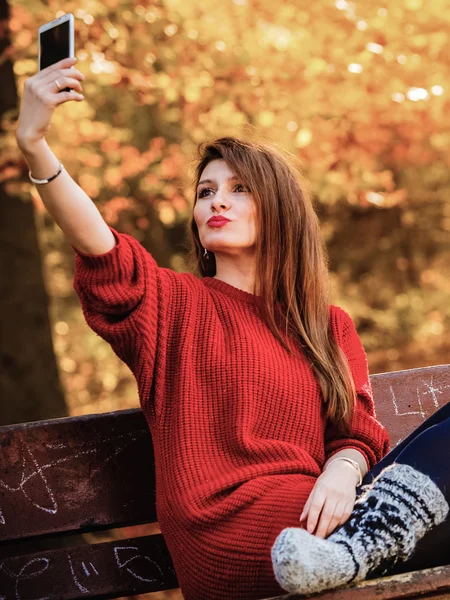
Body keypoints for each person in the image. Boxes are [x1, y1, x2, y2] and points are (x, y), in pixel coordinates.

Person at [15, 57, 449, 600]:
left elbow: (354, 432)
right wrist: (35, 145)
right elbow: (100, 247)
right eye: (205, 192)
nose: (216, 199)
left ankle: (356, 549)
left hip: (325, 514)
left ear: (281, 211)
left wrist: (340, 472)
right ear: (197, 222)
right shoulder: (172, 305)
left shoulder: (327, 326)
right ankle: (359, 546)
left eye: (238, 188)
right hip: (233, 533)